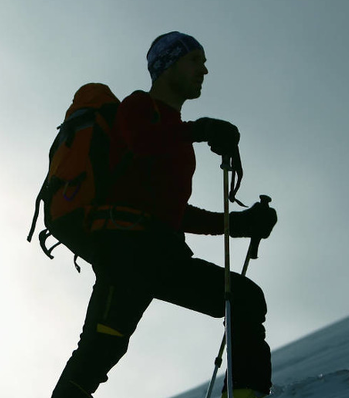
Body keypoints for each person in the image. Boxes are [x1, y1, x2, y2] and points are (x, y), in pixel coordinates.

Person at [51, 31, 277, 398]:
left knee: (245, 299)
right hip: (124, 250)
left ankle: (245, 395)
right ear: (168, 64)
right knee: (99, 351)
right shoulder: (138, 107)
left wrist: (237, 223)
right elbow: (143, 141)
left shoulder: (177, 140)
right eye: (195, 60)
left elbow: (171, 213)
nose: (204, 69)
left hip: (159, 253)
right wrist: (198, 130)